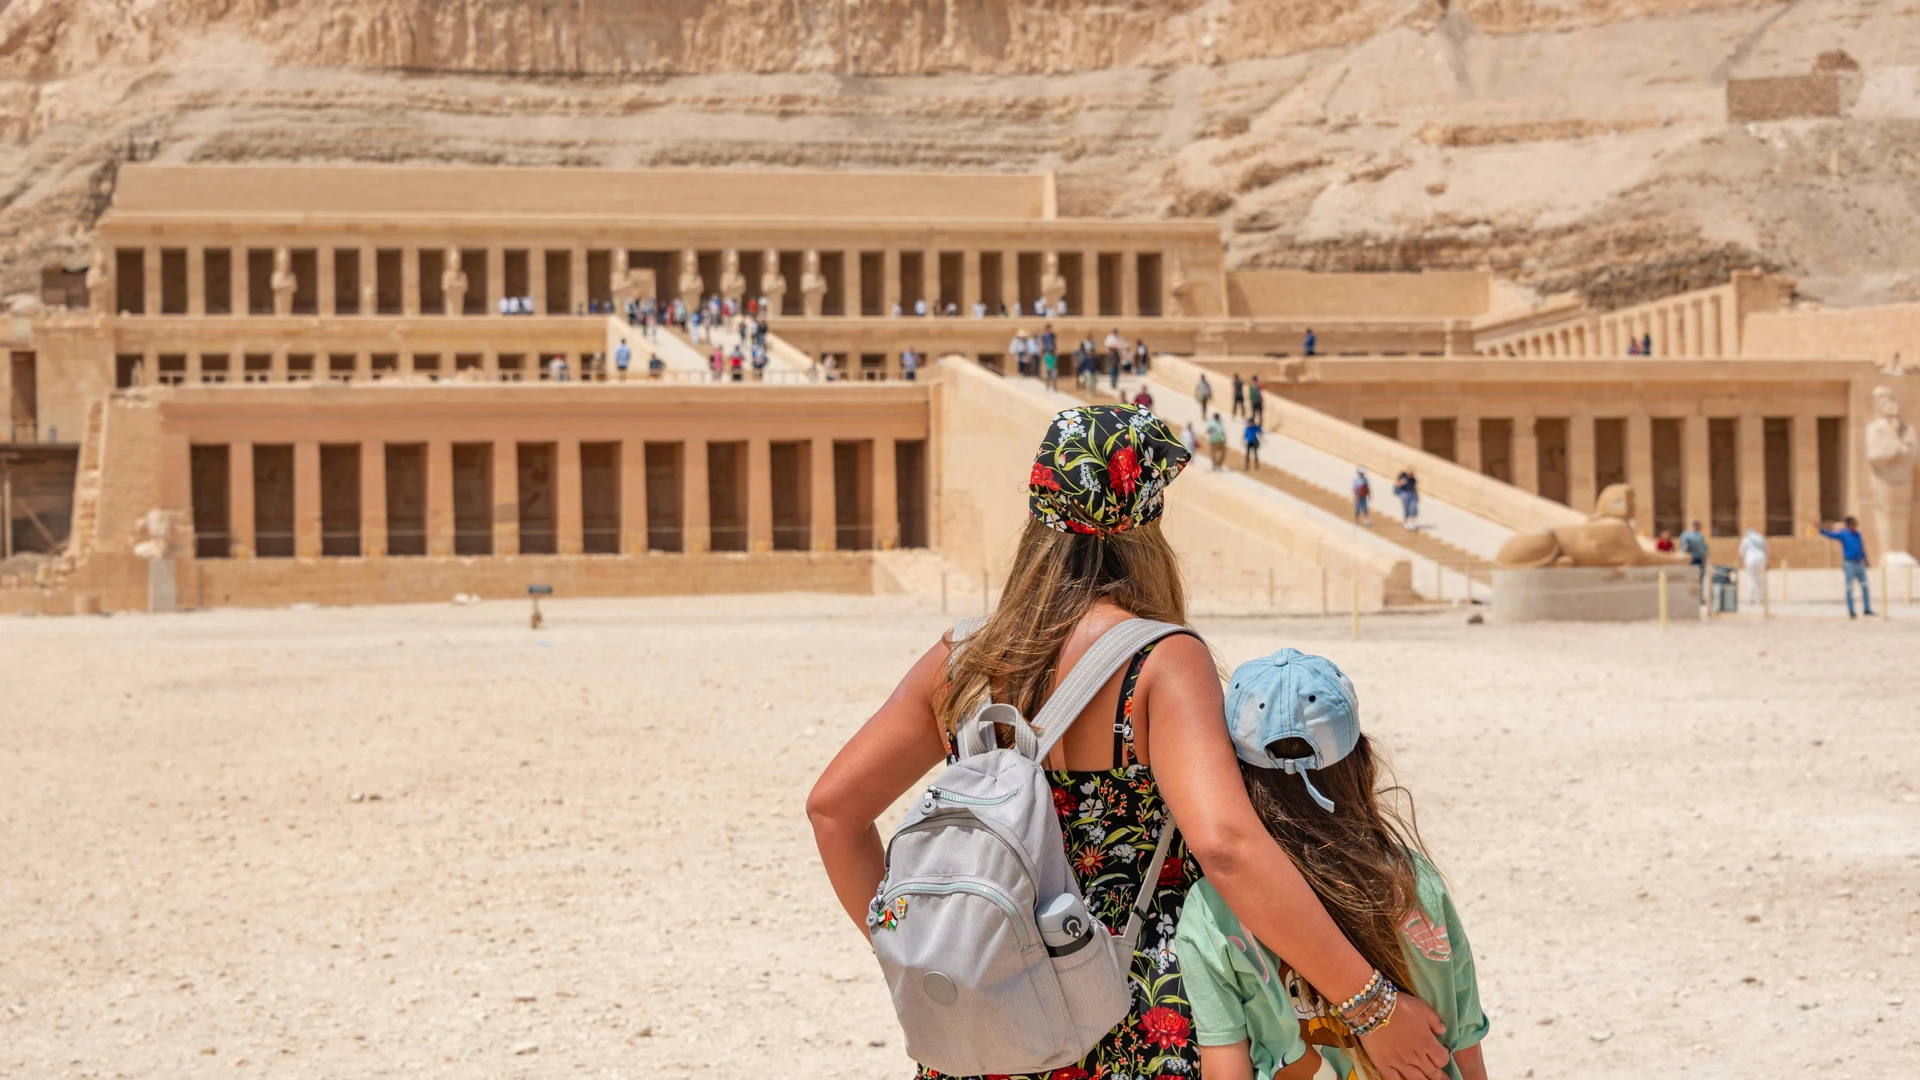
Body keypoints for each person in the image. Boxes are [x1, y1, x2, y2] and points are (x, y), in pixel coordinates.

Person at [807, 406, 1456, 1080]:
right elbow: (1226, 847)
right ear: (1147, 525)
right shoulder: (1160, 660)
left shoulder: (963, 658)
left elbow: (833, 810)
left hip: (992, 1022)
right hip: (1134, 1015)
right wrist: (1370, 1005)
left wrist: (921, 951)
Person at [1176, 650, 1490, 1080]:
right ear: (1363, 758)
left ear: (1233, 774)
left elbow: (1225, 1071)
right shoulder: (1414, 882)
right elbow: (1466, 1053)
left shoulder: (1212, 911)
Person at [1819, 516, 1875, 617]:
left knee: (1865, 586)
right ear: (1848, 525)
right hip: (1849, 564)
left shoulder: (1858, 534)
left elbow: (1861, 547)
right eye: (1853, 524)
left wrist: (1866, 560)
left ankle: (1867, 608)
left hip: (1859, 563)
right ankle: (1851, 611)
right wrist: (1821, 530)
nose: (1855, 526)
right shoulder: (1843, 534)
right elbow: (1831, 535)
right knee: (1850, 588)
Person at [1739, 527, 1769, 606]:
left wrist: (1744, 558)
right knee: (1759, 579)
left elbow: (1741, 551)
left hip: (1750, 560)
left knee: (1751, 578)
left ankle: (1751, 598)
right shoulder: (1760, 538)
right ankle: (1761, 598)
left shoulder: (1746, 539)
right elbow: (1765, 549)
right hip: (1761, 559)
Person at [1678, 520, 1709, 588]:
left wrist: (1705, 556)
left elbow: (1702, 547)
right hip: (1690, 558)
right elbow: (1683, 547)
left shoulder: (1700, 535)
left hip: (1699, 558)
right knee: (1691, 574)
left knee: (1700, 575)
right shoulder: (1686, 535)